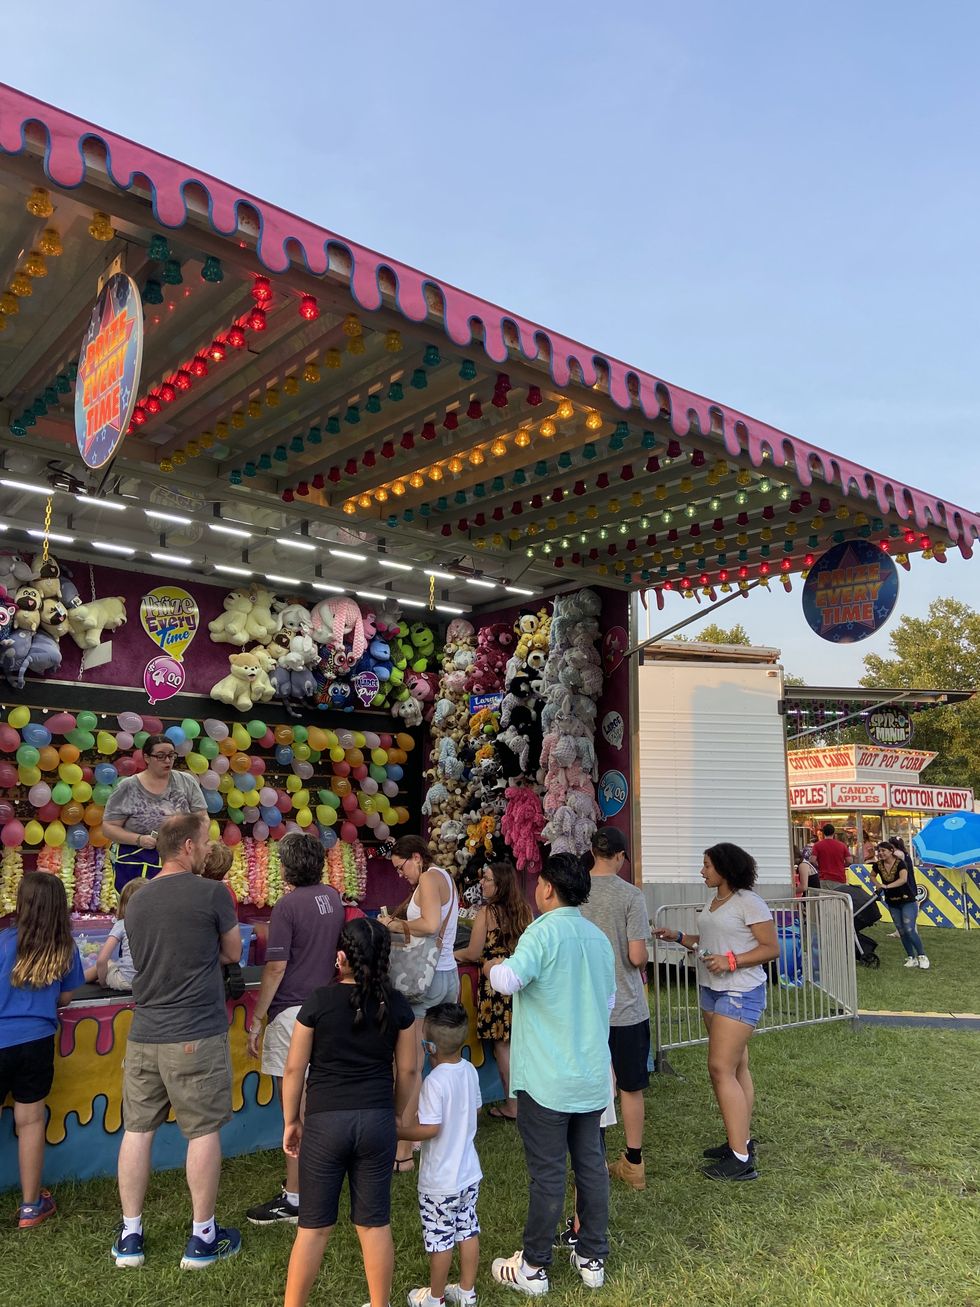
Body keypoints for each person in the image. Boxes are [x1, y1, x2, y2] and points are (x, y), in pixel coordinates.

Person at [112, 811, 242, 1271]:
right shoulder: (212, 892)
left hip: (144, 1032)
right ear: (187, 846)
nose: (208, 849)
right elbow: (232, 952)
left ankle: (131, 1234)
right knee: (203, 1131)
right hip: (196, 1033)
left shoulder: (137, 900)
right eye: (205, 842)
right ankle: (203, 1237)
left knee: (137, 1130)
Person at [486, 852, 615, 1295]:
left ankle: (535, 1267)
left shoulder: (542, 932)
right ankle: (591, 1255)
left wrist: (491, 968)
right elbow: (610, 1001)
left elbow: (508, 981)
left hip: (548, 1080)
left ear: (547, 888)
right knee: (592, 1168)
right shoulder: (598, 938)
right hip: (592, 1077)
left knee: (547, 1174)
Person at [281, 917, 415, 1307]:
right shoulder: (397, 1005)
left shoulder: (319, 1001)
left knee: (313, 1227)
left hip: (324, 1123)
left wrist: (292, 1120)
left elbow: (293, 1069)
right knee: (374, 1225)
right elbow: (407, 1070)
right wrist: (394, 1112)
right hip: (375, 1120)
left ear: (340, 956)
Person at [654, 843, 779, 1181]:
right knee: (737, 1067)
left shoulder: (749, 902)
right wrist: (678, 936)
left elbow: (771, 948)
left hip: (739, 993)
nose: (702, 871)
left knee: (719, 1067)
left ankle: (740, 1161)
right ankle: (740, 1141)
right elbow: (710, 940)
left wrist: (732, 962)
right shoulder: (714, 901)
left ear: (725, 868)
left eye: (707, 865)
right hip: (712, 989)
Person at [247, 833, 344, 1225]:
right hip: (325, 1005)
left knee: (295, 1109)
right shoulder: (333, 898)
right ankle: (316, 1182)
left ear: (286, 867)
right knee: (315, 1100)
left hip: (291, 1013)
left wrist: (256, 1018)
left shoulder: (287, 905)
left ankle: (296, 1197)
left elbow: (275, 967)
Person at [0, 871, 85, 1228]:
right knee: (31, 1121)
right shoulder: (65, 947)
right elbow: (66, 996)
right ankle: (31, 1207)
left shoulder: (5, 941)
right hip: (36, 1042)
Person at [378, 834, 460, 1172]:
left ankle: (404, 1151)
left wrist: (394, 924)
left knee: (409, 1067)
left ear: (415, 857)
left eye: (401, 867)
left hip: (424, 983)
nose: (401, 875)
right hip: (447, 975)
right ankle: (444, 1134)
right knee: (442, 1063)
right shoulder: (444, 878)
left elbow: (428, 924)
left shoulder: (428, 877)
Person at [579, 826, 651, 1190]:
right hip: (625, 1005)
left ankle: (591, 1160)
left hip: (585, 1007)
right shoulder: (631, 896)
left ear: (592, 852)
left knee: (593, 1085)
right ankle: (634, 1163)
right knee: (630, 1085)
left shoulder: (575, 893)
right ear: (621, 857)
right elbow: (636, 956)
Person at [399, 1002, 482, 1307]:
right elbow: (475, 1108)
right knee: (468, 1228)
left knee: (440, 1239)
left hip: (440, 1182)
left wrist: (397, 1131)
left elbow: (429, 1129)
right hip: (469, 1173)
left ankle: (435, 1299)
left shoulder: (434, 1082)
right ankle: (466, 1291)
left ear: (429, 1047)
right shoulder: (470, 1071)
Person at [453, 860, 532, 1121]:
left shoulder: (488, 913)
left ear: (500, 884)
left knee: (502, 1046)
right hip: (520, 980)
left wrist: (453, 954)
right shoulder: (525, 911)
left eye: (487, 879)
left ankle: (513, 1105)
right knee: (520, 1044)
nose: (482, 883)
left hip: (495, 983)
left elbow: (474, 952)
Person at [102, 733, 207, 890]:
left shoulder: (186, 781)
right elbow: (109, 827)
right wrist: (139, 839)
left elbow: (202, 817)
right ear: (147, 758)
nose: (167, 760)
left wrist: (197, 843)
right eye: (160, 756)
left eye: (171, 756)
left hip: (179, 858)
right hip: (138, 860)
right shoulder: (128, 786)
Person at [870, 842, 929, 969]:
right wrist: (877, 884)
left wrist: (886, 886)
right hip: (892, 902)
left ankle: (922, 956)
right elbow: (872, 875)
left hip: (907, 901)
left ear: (891, 851)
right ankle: (911, 957)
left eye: (883, 850)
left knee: (909, 929)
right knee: (901, 930)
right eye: (879, 851)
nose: (881, 853)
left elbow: (903, 879)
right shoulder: (878, 865)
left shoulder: (900, 863)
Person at [83, 878, 146, 990]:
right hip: (150, 983)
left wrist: (104, 983)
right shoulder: (158, 926)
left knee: (107, 964)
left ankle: (79, 980)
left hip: (127, 981)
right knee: (116, 964)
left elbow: (101, 960)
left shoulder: (122, 924)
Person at [809, 823, 851, 891]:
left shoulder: (817, 845)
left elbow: (812, 860)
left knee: (826, 899)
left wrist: (818, 865)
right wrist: (842, 865)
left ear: (823, 833)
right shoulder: (842, 845)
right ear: (834, 833)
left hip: (824, 878)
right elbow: (849, 860)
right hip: (839, 878)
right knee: (838, 899)